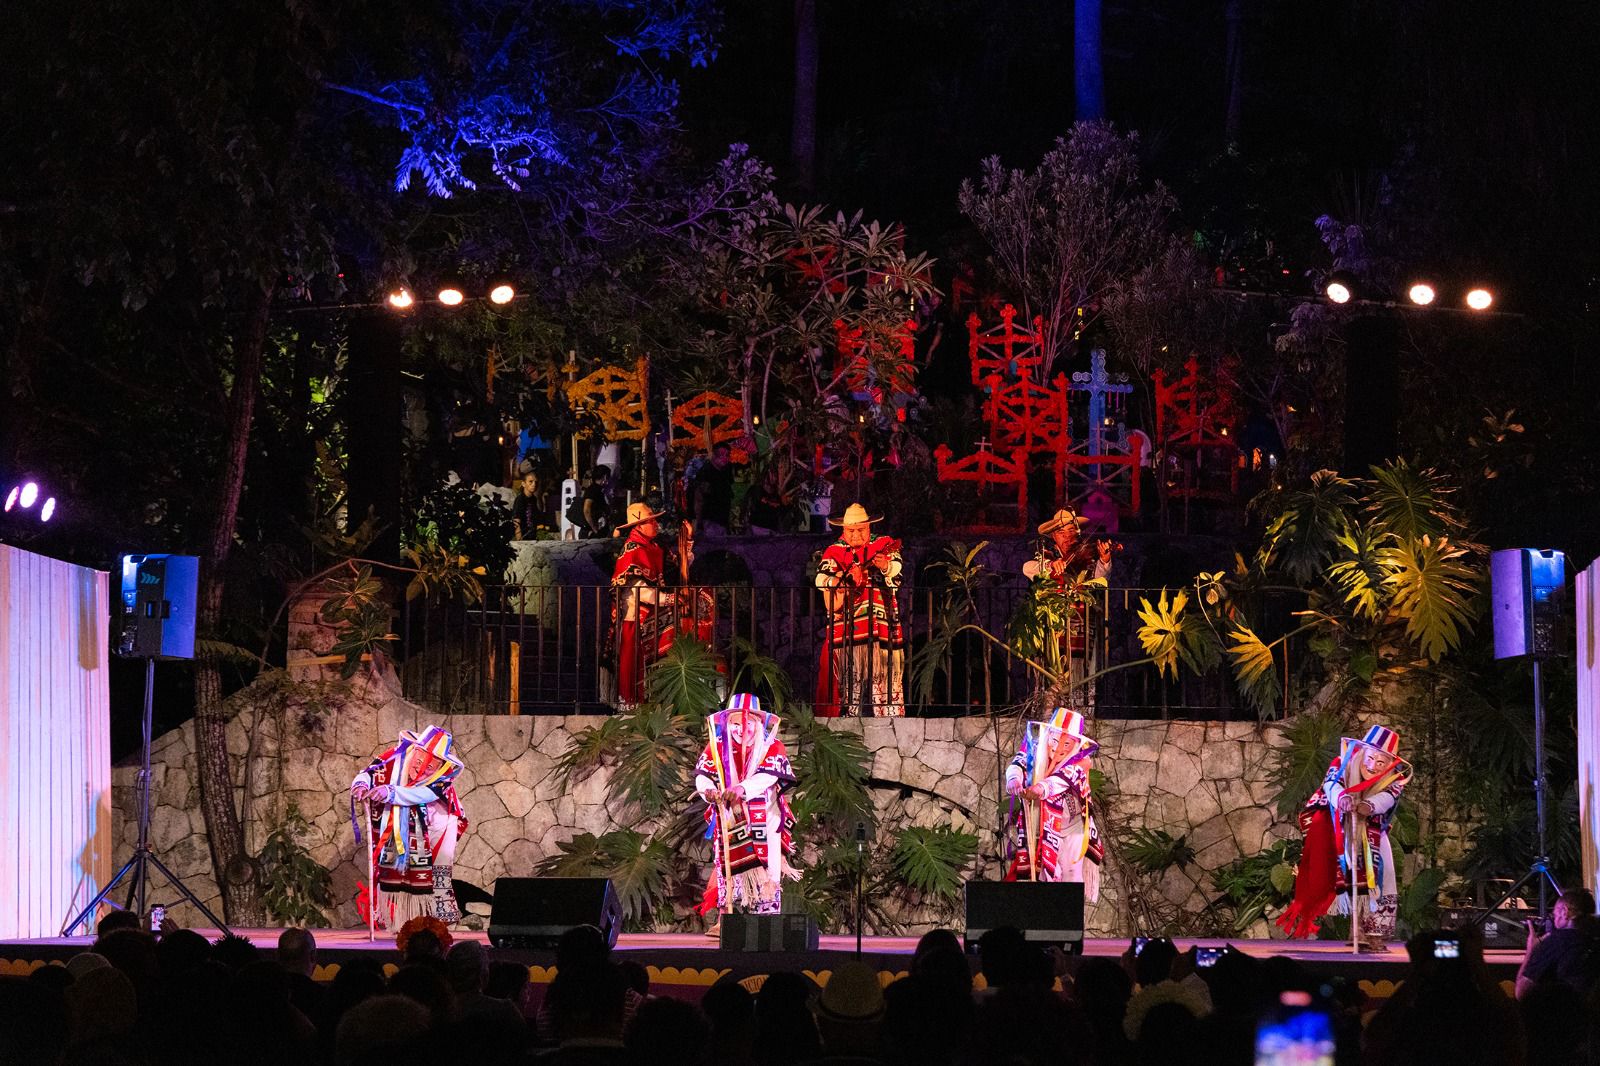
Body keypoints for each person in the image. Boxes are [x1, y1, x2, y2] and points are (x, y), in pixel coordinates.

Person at [1277, 725, 1410, 950]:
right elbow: (1330, 785)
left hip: (1373, 831)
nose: (1373, 765)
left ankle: (1375, 932)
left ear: (1389, 764)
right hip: (1342, 827)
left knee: (1381, 873)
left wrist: (1369, 805)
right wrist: (1342, 799)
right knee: (1348, 876)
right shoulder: (1342, 763)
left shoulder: (1394, 779)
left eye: (1381, 762)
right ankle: (1356, 929)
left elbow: (1387, 798)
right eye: (1370, 758)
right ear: (1362, 752)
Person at [349, 725, 470, 928]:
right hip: (406, 825)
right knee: (401, 870)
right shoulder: (394, 759)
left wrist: (390, 792)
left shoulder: (444, 776)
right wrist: (361, 785)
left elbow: (423, 794)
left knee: (438, 875)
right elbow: (367, 773)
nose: (421, 769)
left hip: (441, 823)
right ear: (415, 751)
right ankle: (404, 923)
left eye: (430, 766)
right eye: (420, 761)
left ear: (440, 764)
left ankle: (437, 927)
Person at [694, 694, 798, 928]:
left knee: (766, 869)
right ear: (727, 724)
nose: (743, 729)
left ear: (758, 723)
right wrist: (709, 791)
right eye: (736, 723)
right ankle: (726, 920)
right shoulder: (717, 746)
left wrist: (741, 789)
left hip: (765, 818)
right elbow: (703, 776)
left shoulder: (772, 746)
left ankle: (766, 923)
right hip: (730, 816)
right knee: (727, 866)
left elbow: (768, 776)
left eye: (748, 722)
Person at [815, 502, 905, 717]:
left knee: (885, 679)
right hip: (848, 630)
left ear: (869, 526)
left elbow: (897, 569)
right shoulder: (834, 551)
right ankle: (846, 724)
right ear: (843, 529)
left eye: (861, 530)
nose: (855, 535)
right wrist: (841, 580)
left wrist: (885, 566)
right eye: (850, 531)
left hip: (881, 626)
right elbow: (820, 578)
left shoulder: (884, 544)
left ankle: (891, 722)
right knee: (849, 684)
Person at [1003, 708, 1103, 901]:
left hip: (1073, 826)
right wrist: (1014, 780)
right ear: (1049, 735)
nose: (1059, 748)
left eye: (1067, 743)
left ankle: (1071, 922)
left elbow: (1060, 780)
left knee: (1072, 873)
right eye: (1055, 740)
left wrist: (1039, 789)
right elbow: (1017, 763)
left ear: (1076, 743)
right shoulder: (1035, 749)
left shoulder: (1082, 761)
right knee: (1045, 875)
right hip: (1043, 824)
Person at [1020, 507, 1117, 705]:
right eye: (1062, 533)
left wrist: (1105, 560)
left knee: (1081, 684)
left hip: (1081, 630)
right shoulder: (1045, 557)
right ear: (1054, 536)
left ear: (1078, 534)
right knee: (1049, 690)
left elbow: (1100, 578)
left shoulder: (1087, 559)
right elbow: (1027, 568)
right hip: (1052, 637)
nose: (1067, 537)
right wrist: (1050, 566)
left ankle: (1083, 718)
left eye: (1071, 532)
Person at [610, 502, 696, 707]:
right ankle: (630, 703)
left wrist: (688, 540)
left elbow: (681, 566)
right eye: (651, 521)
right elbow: (640, 590)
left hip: (653, 613)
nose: (656, 524)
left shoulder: (655, 548)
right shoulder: (631, 550)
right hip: (635, 616)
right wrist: (670, 599)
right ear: (639, 526)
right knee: (632, 661)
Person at [1515, 888, 1600, 999]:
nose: (1554, 920)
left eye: (1554, 915)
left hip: (1564, 1012)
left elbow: (1521, 993)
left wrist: (1531, 949)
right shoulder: (1594, 940)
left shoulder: (1557, 941)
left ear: (1564, 912)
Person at [692, 442, 736, 535]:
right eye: (721, 455)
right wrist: (699, 522)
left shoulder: (726, 470)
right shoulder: (706, 472)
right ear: (714, 456)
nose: (725, 458)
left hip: (723, 518)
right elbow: (699, 499)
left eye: (727, 455)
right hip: (710, 519)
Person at [512, 467, 551, 539]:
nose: (534, 484)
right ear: (523, 484)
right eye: (530, 481)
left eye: (536, 482)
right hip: (523, 537)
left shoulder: (533, 499)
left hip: (531, 536)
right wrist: (519, 541)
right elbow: (516, 520)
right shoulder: (520, 499)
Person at [580, 464, 613, 538]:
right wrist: (594, 529)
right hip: (591, 532)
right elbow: (586, 510)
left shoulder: (598, 490)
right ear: (604, 477)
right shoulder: (593, 490)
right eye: (608, 477)